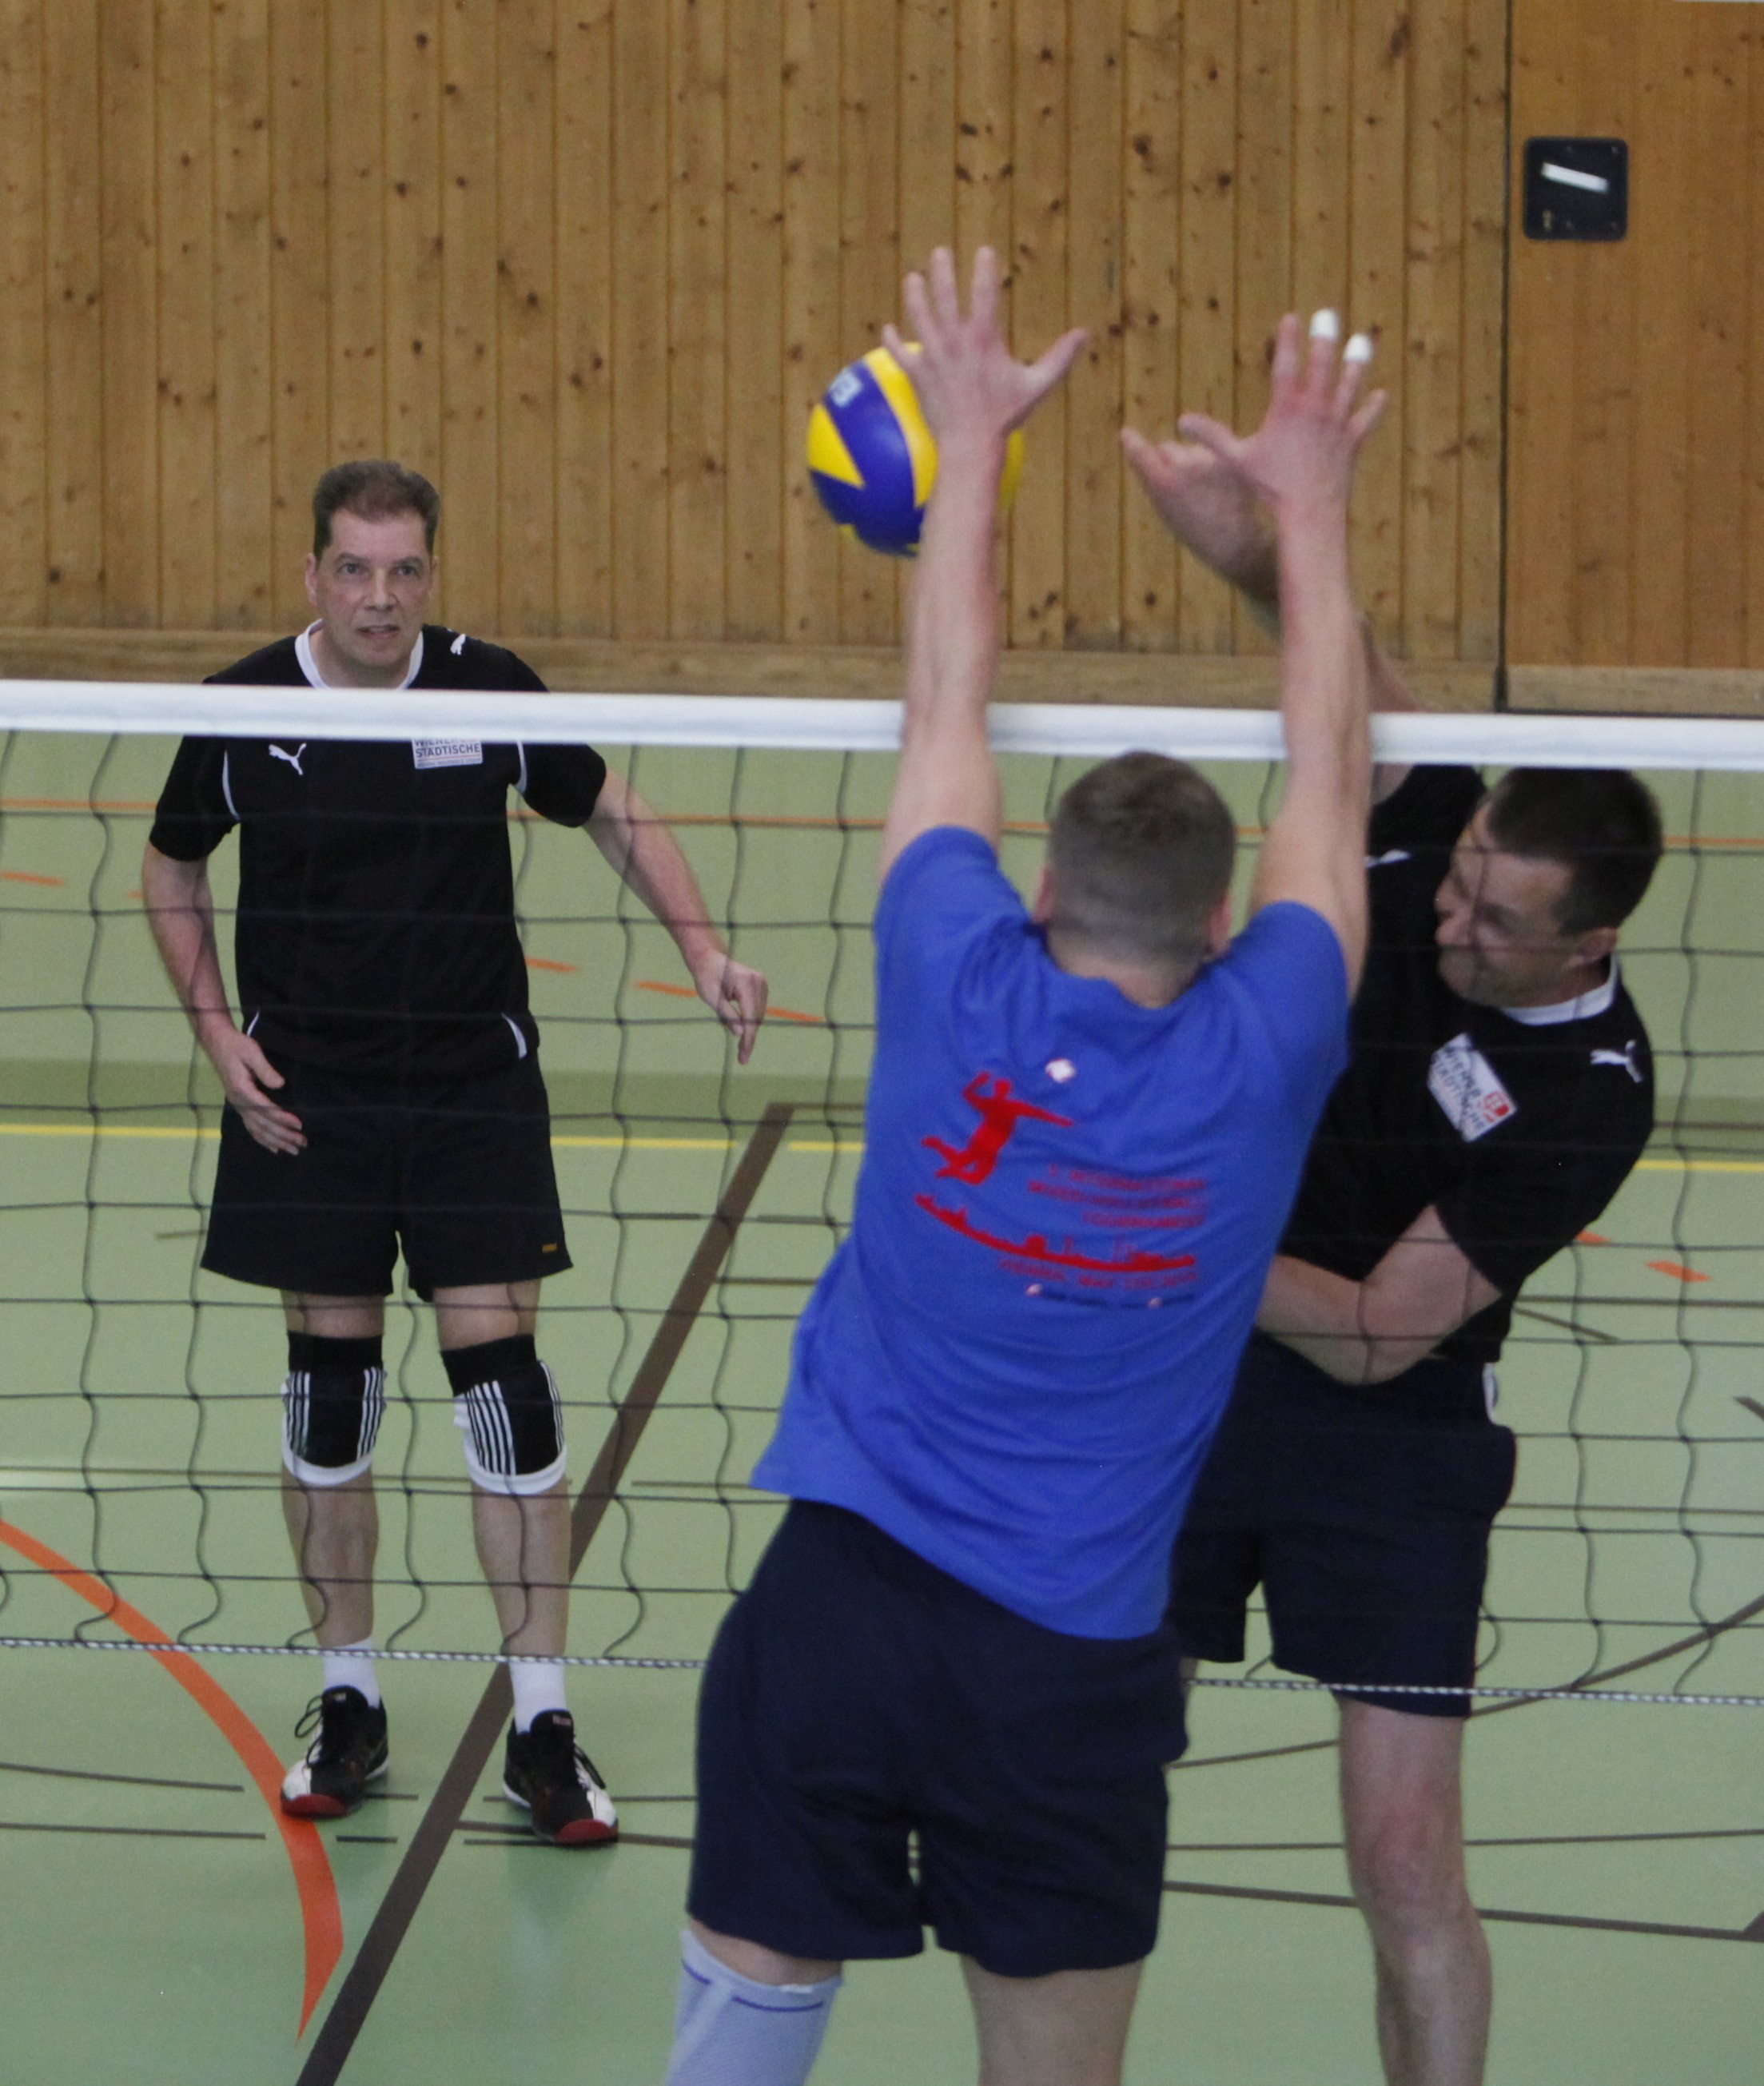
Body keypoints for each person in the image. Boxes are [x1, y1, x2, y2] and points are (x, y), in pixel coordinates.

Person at [658, 250, 1382, 2086]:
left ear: (1039, 888)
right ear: (1222, 924)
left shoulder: (949, 969)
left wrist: (972, 437)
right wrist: (1305, 514)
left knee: (741, 2038)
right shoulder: (1270, 1042)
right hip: (1071, 1674)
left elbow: (945, 699)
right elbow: (1333, 777)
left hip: (835, 1613)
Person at [1127, 426, 1661, 2086]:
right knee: (1095, 1775)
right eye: (1459, 882)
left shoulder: (1591, 1094)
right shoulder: (1446, 837)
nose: (1445, 920)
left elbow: (1376, 1334)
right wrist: (1257, 538)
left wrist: (1162, 1226)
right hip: (1200, 1384)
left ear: (1588, 943)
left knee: (1407, 1854)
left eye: (1493, 923)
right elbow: (1340, 667)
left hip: (1390, 1421)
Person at [141, 460, 767, 1846]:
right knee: (331, 1403)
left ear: (433, 571)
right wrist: (216, 1035)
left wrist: (704, 948)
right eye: (355, 569)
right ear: (313, 574)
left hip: (473, 1090)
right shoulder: (247, 706)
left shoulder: (488, 688)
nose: (381, 597)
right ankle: (348, 1697)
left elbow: (614, 808)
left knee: (509, 1398)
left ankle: (541, 1720)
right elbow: (171, 865)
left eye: (405, 570)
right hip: (308, 1099)